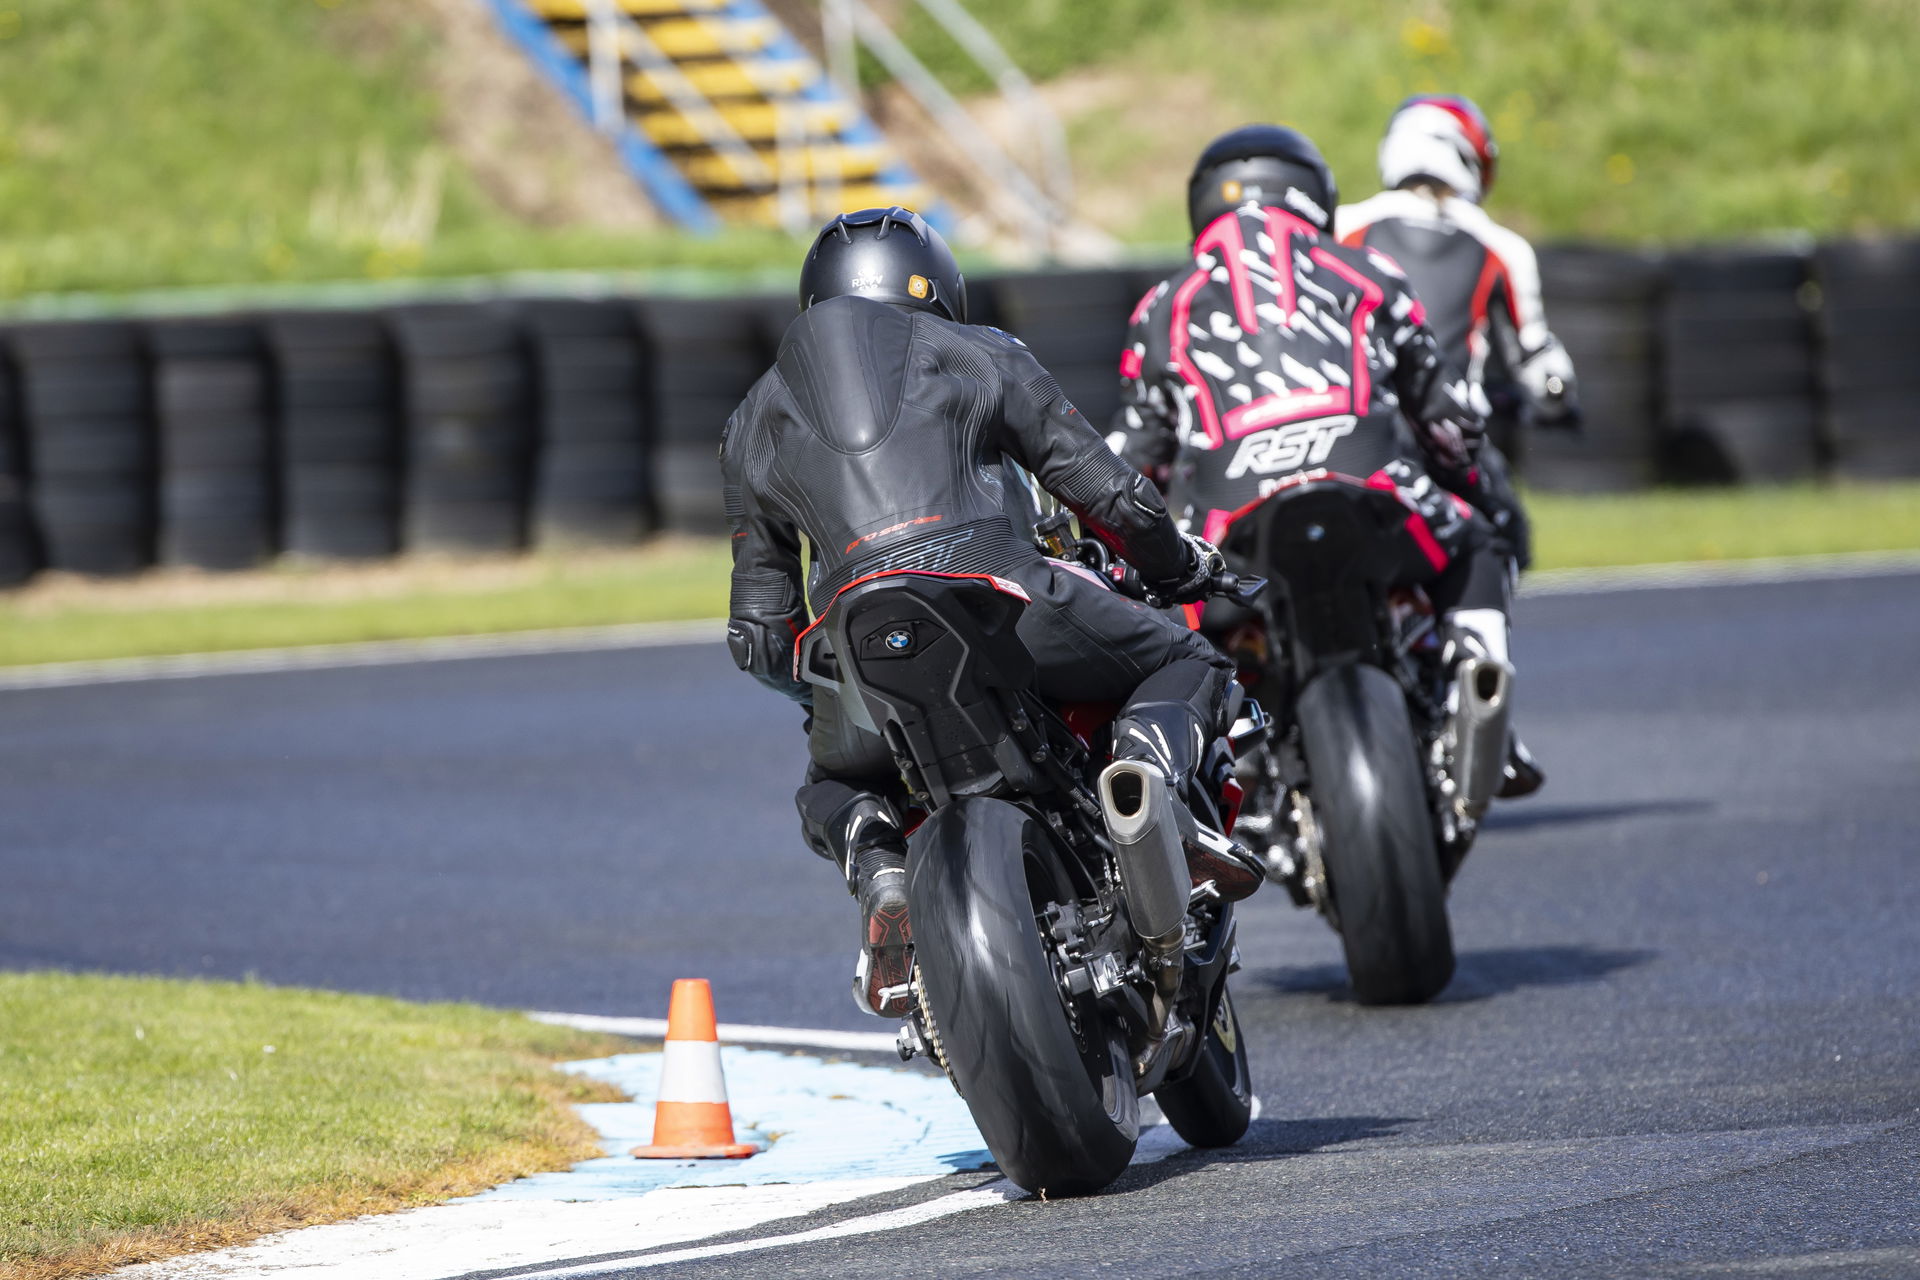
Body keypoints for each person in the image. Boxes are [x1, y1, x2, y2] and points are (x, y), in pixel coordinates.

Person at [721, 206, 1247, 1019]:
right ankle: (1147, 787)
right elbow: (1111, 494)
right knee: (1193, 660)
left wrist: (817, 690)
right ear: (937, 289)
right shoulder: (982, 351)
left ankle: (879, 868)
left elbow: (757, 633)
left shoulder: (750, 419)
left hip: (859, 647)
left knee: (828, 782)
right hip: (1006, 595)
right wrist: (1181, 570)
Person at [1110, 124, 1542, 796]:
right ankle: (1479, 692)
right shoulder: (1367, 271)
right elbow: (1449, 419)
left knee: (1165, 606)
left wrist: (1119, 554)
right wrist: (1463, 478)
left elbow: (1137, 463)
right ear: (1316, 197)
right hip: (1372, 485)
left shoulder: (1161, 307)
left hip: (1227, 525)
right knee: (1481, 538)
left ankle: (1214, 751)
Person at [1335, 94, 1580, 572]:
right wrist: (1561, 399)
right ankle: (1475, 645)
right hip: (1446, 440)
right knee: (1504, 542)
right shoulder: (1502, 248)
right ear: (1469, 156)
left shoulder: (1340, 227)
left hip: (1343, 430)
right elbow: (1540, 367)